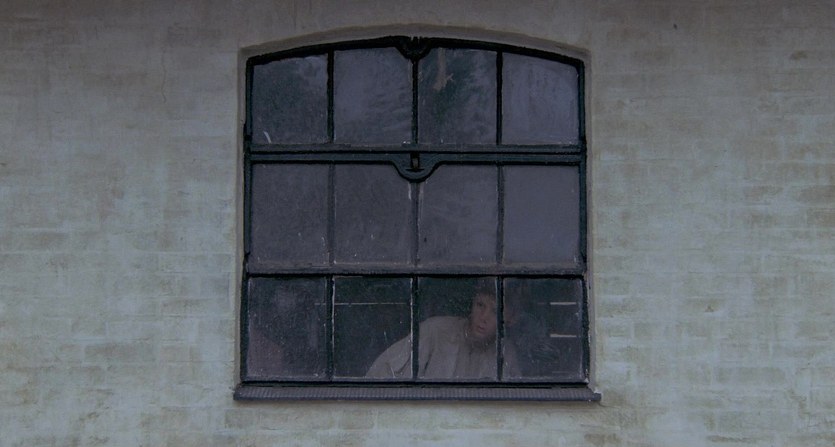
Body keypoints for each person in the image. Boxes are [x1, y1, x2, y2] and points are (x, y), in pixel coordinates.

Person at [366, 280, 519, 379]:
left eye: (495, 311)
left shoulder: (506, 354)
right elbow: (381, 375)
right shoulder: (435, 331)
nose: (483, 317)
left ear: (509, 319)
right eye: (480, 305)